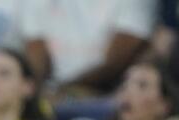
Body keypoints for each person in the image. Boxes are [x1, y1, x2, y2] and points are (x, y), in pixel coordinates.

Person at [19, 0, 153, 96]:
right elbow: (35, 48)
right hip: (52, 90)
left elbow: (116, 61)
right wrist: (42, 91)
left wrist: (67, 91)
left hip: (108, 90)